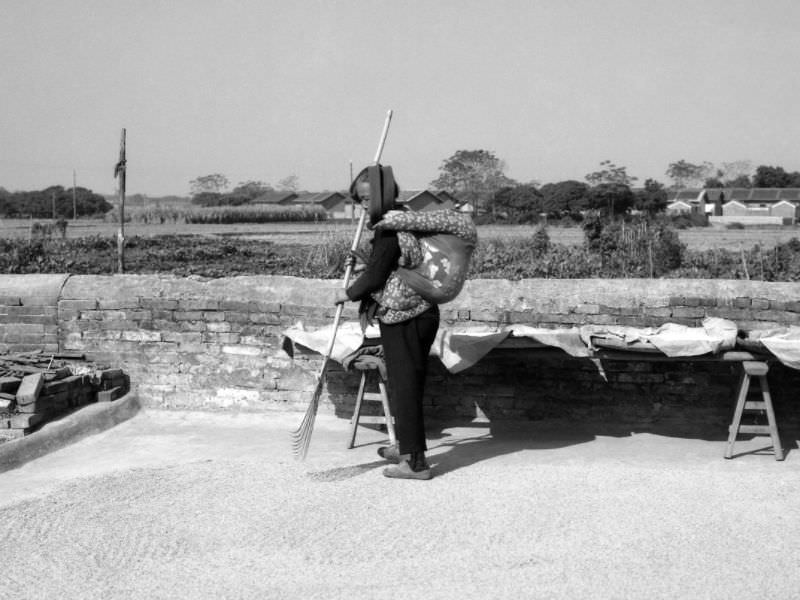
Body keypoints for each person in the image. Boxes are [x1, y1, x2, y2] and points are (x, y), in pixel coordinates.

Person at [334, 168, 439, 481]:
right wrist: (368, 264)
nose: (364, 205)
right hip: (419, 313)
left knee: (405, 387)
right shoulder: (402, 217)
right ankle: (407, 447)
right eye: (360, 199)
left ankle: (415, 464)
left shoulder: (389, 227)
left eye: (368, 198)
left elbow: (378, 276)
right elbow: (391, 266)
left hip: (406, 316)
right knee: (407, 384)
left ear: (381, 195)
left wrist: (348, 293)